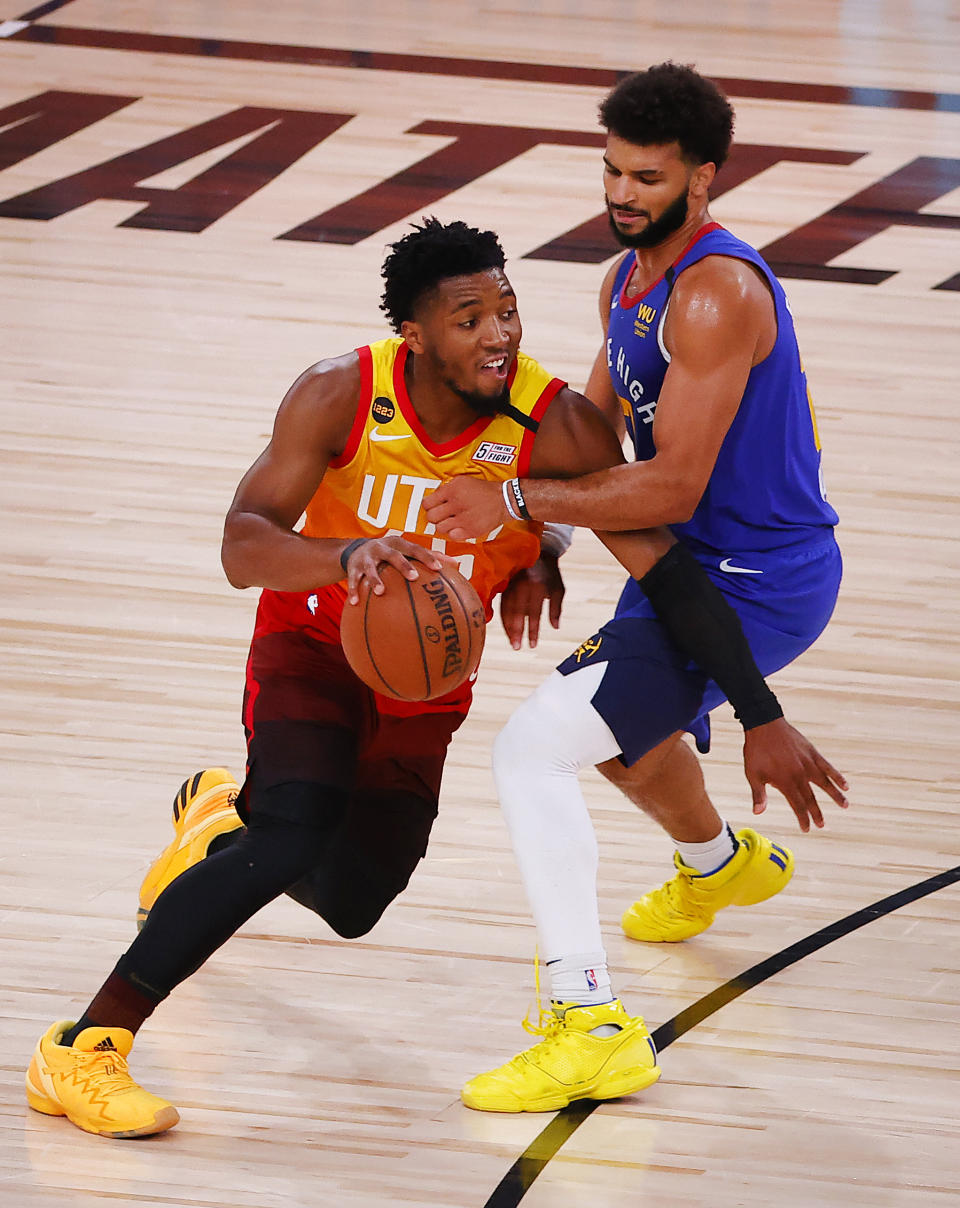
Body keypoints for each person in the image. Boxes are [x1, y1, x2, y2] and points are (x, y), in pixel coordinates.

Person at [26, 215, 839, 1139]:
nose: (499, 333)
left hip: (424, 681)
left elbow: (669, 573)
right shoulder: (341, 392)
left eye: (507, 308)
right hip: (313, 646)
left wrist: (756, 708)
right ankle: (86, 1046)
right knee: (292, 831)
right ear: (415, 337)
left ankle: (217, 817)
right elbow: (241, 545)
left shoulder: (554, 422)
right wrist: (345, 558)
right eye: (468, 318)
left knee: (355, 900)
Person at [423, 64, 847, 1113]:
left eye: (646, 176)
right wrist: (548, 540)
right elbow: (593, 434)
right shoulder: (624, 282)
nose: (620, 193)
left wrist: (518, 502)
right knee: (621, 741)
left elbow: (672, 480)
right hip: (677, 564)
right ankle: (718, 863)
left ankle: (591, 1023)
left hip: (756, 575)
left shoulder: (716, 292)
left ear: (703, 178)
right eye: (611, 168)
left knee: (534, 747)